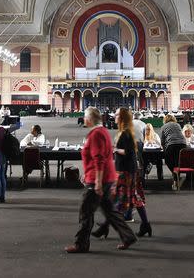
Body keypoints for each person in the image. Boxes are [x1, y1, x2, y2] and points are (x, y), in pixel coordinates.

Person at [65, 107, 137, 253]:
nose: (84, 119)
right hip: (106, 177)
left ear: (90, 119)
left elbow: (98, 159)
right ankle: (128, 236)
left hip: (98, 179)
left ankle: (81, 244)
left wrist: (97, 181)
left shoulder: (96, 134)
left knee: (85, 212)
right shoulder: (102, 130)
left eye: (85, 116)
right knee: (110, 211)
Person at [93, 108, 151, 239]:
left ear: (123, 118)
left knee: (118, 200)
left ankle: (106, 227)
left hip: (126, 171)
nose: (115, 116)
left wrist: (114, 149)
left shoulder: (126, 133)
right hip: (126, 169)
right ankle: (145, 224)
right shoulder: (123, 132)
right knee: (132, 198)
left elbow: (127, 152)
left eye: (118, 114)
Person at [161, 114, 187, 190]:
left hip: (171, 144)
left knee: (167, 160)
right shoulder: (177, 125)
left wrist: (163, 148)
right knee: (178, 161)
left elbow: (163, 140)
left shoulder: (164, 126)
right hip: (182, 144)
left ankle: (175, 175)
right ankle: (176, 176)